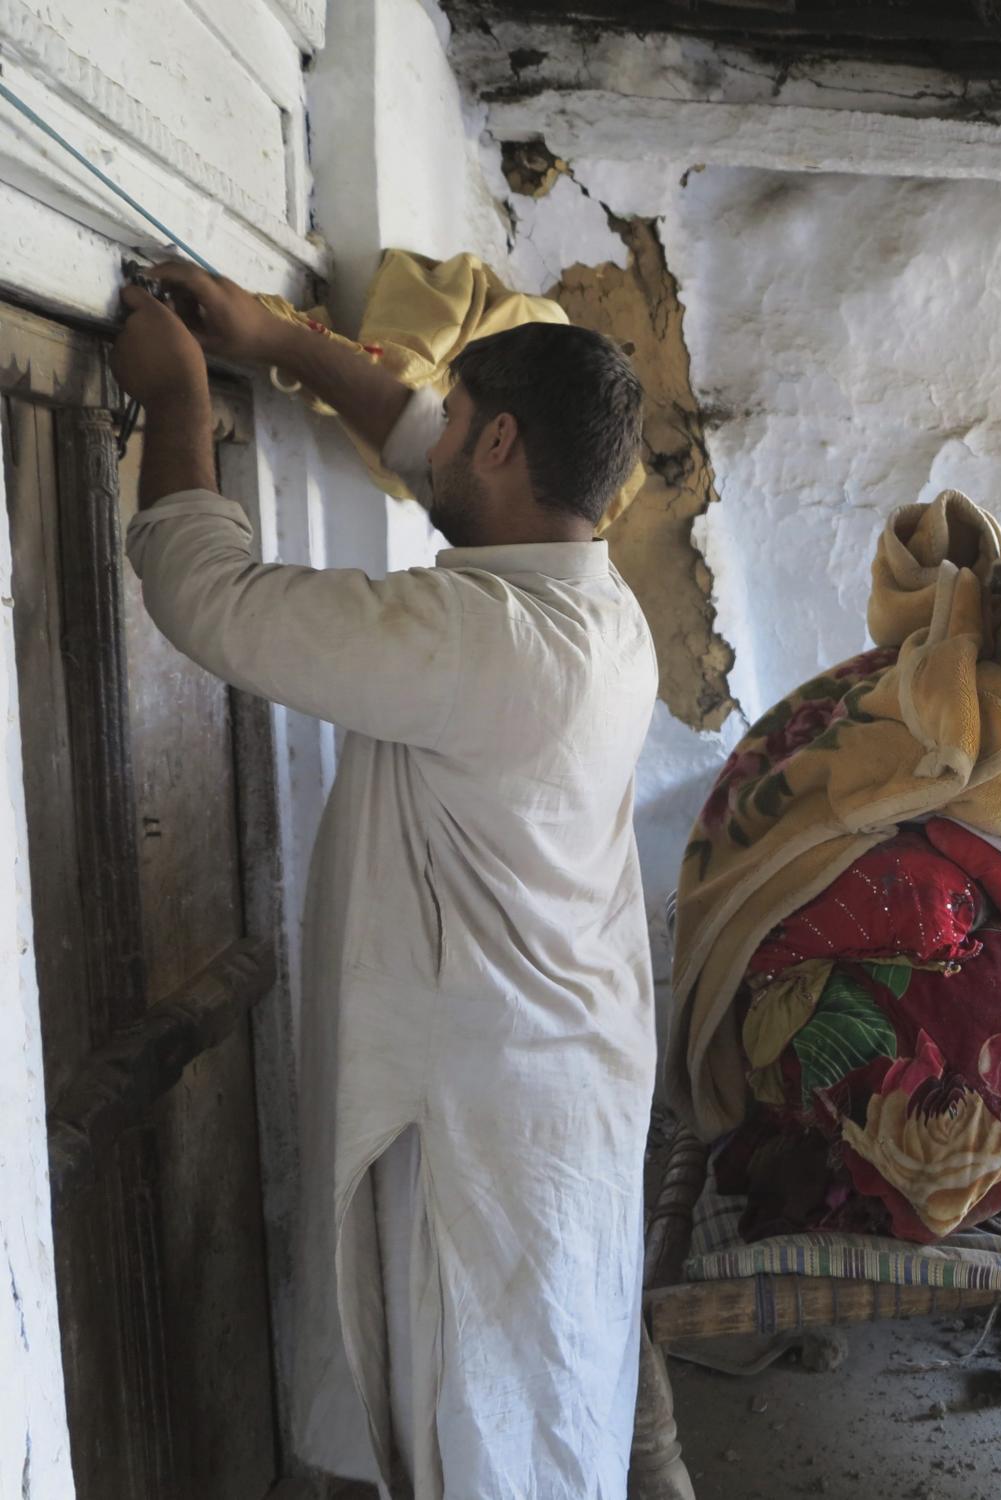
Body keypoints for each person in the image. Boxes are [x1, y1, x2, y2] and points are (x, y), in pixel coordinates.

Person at [110, 264, 664, 1499]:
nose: (438, 442)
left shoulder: (484, 638)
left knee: (480, 1437)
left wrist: (182, 406)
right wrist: (279, 343)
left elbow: (210, 601)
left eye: (462, 421)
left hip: (485, 1124)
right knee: (525, 1411)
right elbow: (430, 452)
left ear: (508, 440)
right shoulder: (590, 597)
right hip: (546, 1079)